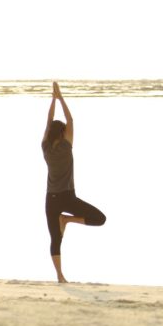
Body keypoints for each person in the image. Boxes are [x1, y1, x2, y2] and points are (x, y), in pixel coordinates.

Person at [42, 81, 106, 283]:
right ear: (62, 133)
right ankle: (67, 220)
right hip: (68, 198)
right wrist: (59, 98)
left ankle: (60, 276)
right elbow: (70, 119)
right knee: (99, 219)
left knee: (55, 239)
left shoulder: (45, 146)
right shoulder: (66, 146)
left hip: (51, 199)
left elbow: (48, 122)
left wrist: (52, 100)